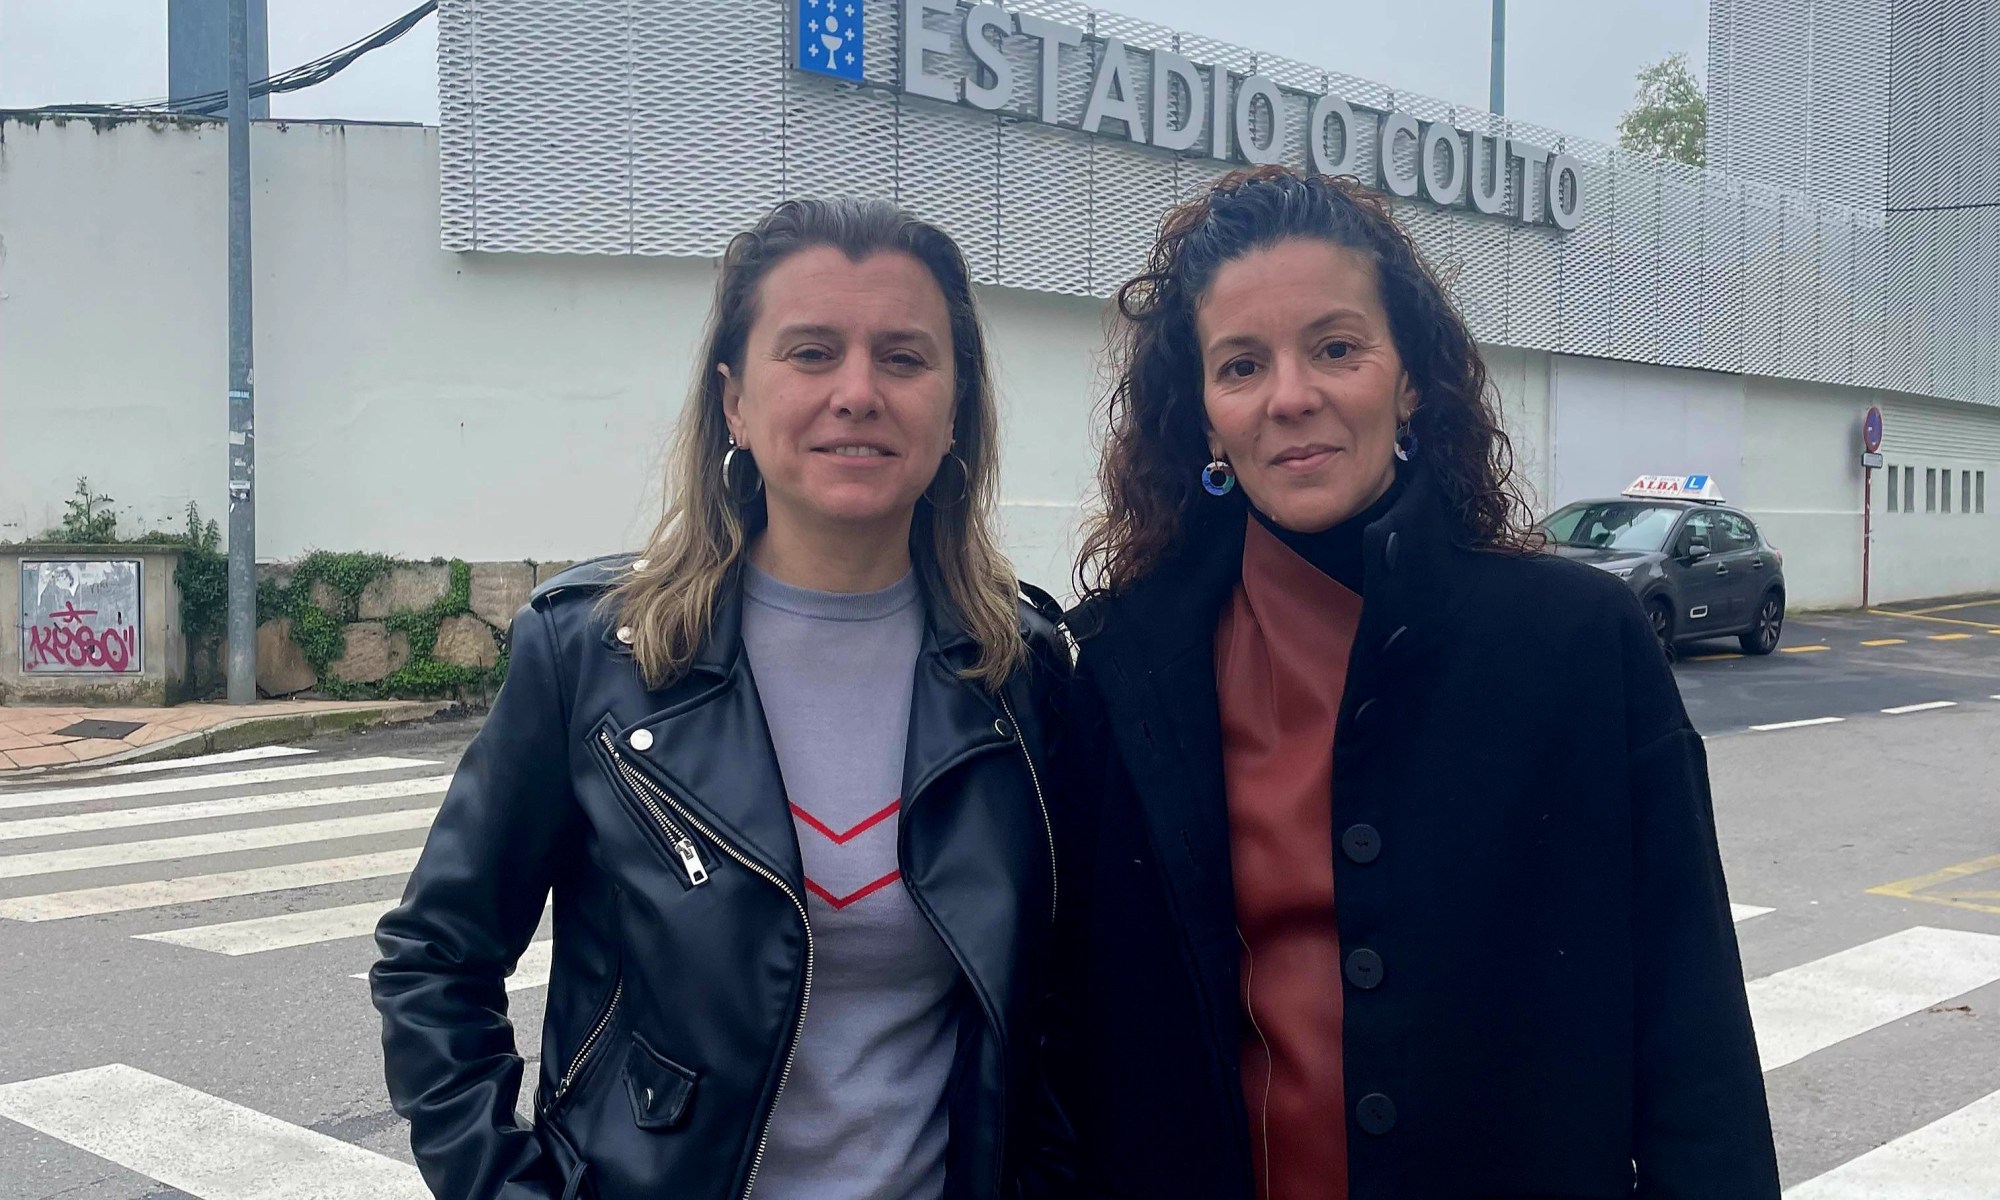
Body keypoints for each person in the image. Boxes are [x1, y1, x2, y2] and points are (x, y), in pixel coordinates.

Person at [1048, 166, 1779, 1199]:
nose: (1290, 397)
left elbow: (1690, 1031)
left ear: (1409, 382)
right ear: (1205, 419)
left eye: (1335, 348)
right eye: (1242, 365)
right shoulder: (1127, 671)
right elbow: (1085, 1040)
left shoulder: (1576, 644)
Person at [372, 198, 1069, 1200]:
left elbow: (1063, 1013)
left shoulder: (1022, 670)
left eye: (904, 358)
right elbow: (435, 961)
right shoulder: (593, 656)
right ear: (734, 401)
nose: (858, 392)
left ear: (955, 408)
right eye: (811, 352)